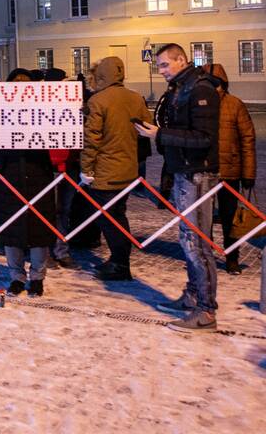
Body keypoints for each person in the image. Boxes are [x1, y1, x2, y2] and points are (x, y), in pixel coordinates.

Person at [135, 43, 220, 332]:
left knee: (197, 243)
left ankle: (206, 311)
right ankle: (194, 295)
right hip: (183, 172)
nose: (160, 71)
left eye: (164, 65)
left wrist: (161, 134)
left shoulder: (200, 89)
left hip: (198, 174)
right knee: (188, 240)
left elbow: (204, 138)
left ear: (181, 60)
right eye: (158, 66)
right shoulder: (180, 88)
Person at [78, 57, 153, 281]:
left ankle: (120, 264)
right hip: (128, 170)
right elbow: (144, 129)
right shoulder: (135, 98)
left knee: (110, 220)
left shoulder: (98, 101)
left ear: (101, 76)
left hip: (105, 172)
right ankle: (119, 260)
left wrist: (86, 169)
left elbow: (91, 140)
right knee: (118, 215)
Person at [0, 68, 58, 296]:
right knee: (12, 229)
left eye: (25, 85)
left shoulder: (44, 110)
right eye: (15, 85)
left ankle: (38, 277)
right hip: (8, 175)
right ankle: (17, 277)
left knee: (39, 228)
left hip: (38, 175)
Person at [202, 63, 256, 275]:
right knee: (203, 219)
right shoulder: (200, 103)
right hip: (205, 171)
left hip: (229, 172)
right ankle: (204, 256)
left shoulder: (235, 105)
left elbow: (247, 140)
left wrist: (248, 174)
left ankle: (232, 257)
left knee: (230, 218)